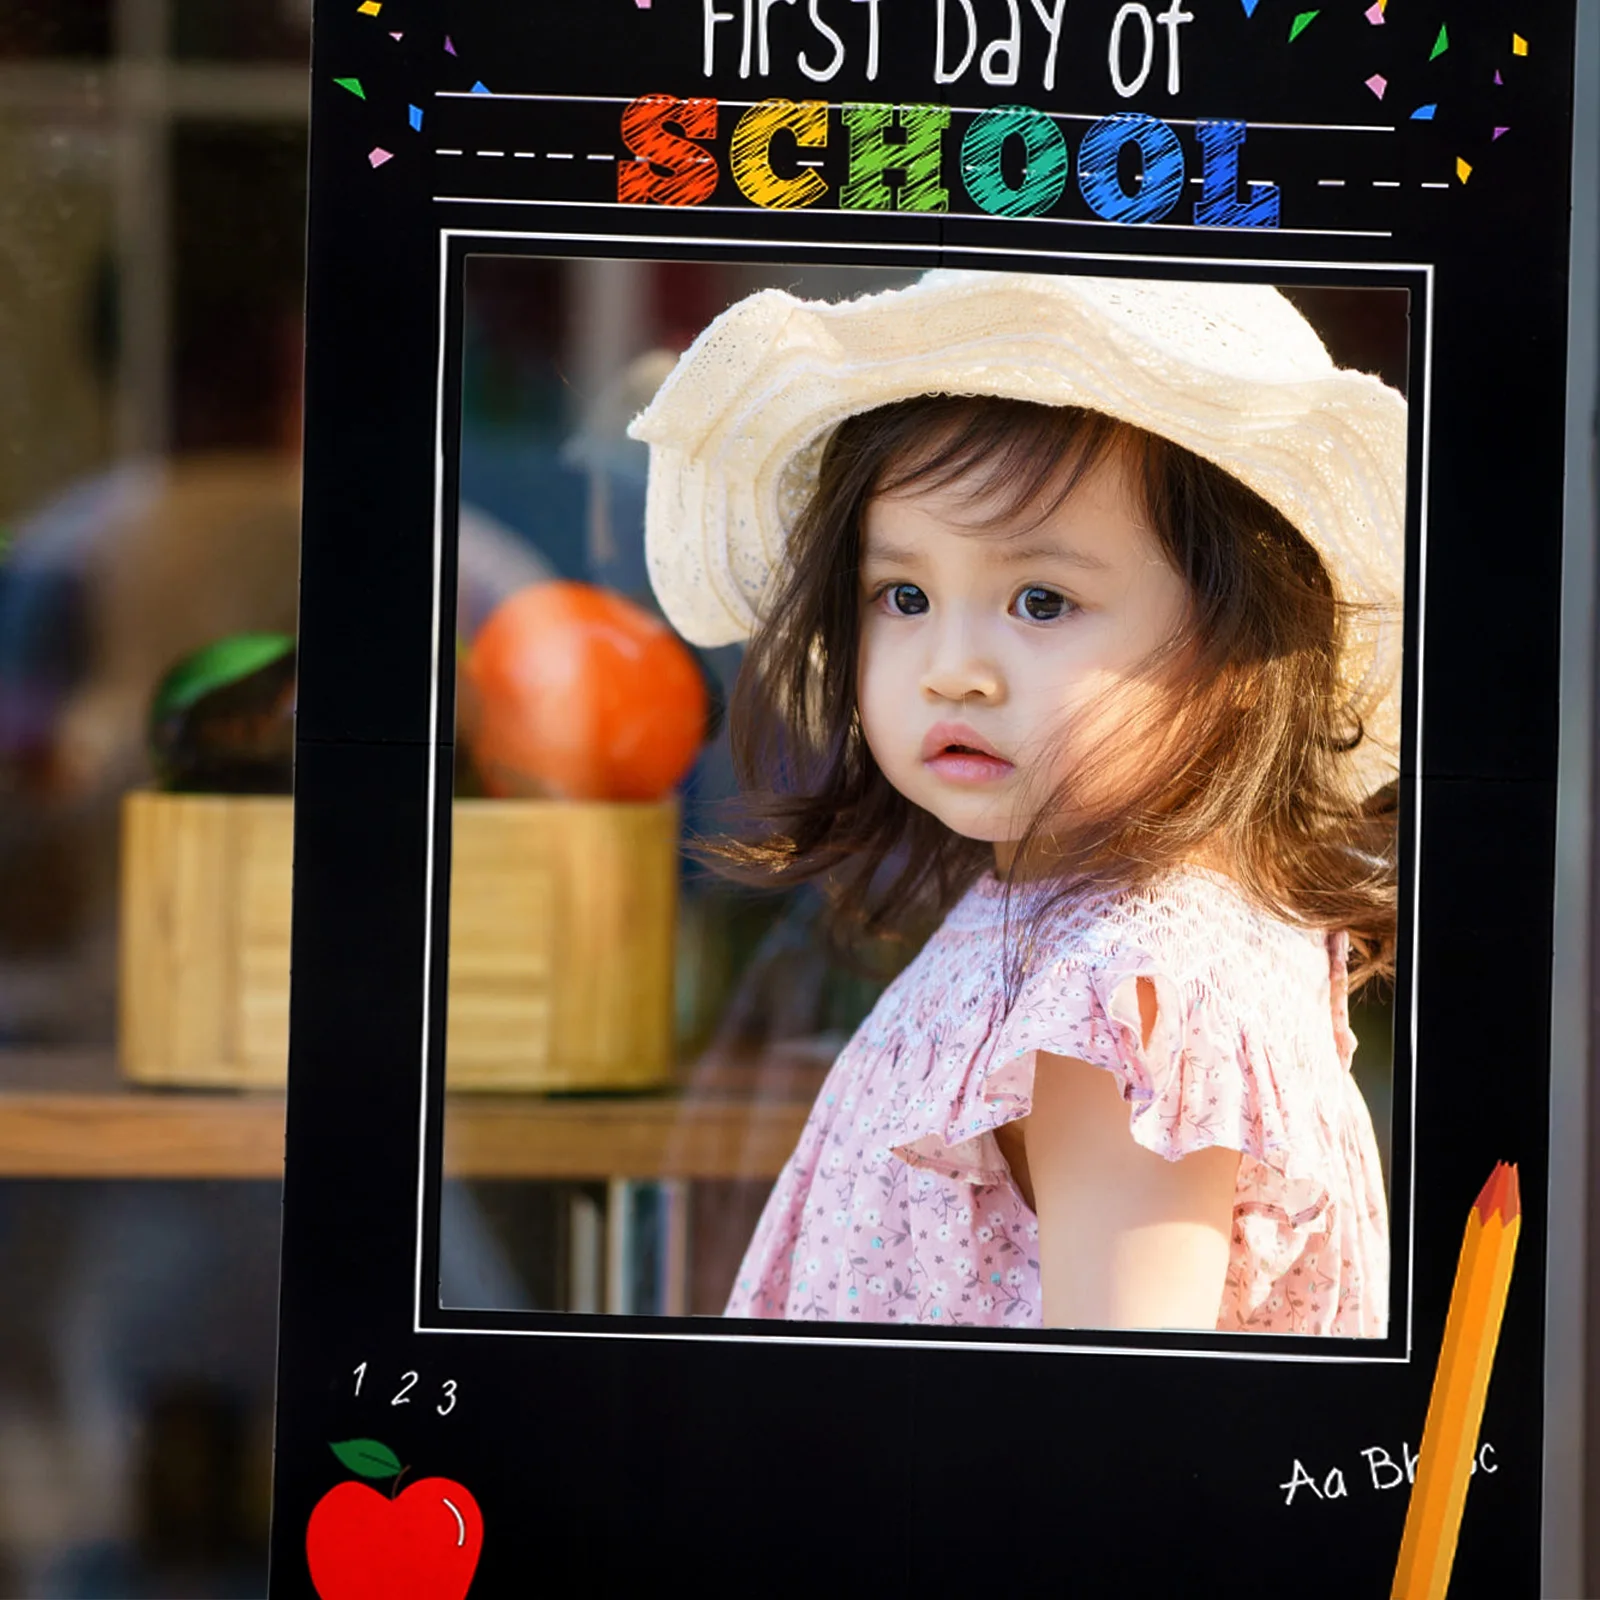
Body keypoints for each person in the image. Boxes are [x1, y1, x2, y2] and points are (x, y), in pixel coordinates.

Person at [629, 270, 1402, 1335]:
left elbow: (1120, 1422)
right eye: (903, 594)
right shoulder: (1069, 924)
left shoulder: (1128, 995)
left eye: (1041, 600)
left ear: (1242, 642)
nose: (952, 669)